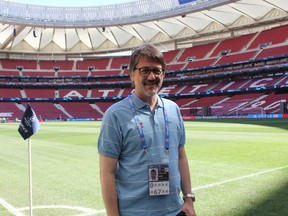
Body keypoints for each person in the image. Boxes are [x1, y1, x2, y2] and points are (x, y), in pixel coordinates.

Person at [98, 43, 196, 216]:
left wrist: (188, 198)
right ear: (131, 75)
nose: (152, 77)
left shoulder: (173, 110)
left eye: (157, 71)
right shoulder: (114, 115)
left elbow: (181, 157)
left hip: (175, 211)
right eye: (144, 70)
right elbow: (107, 172)